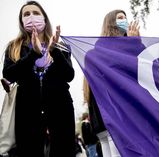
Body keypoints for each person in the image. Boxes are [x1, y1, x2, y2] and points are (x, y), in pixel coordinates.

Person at [2, 1, 75, 157]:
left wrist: (54, 51)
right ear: (21, 21)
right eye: (26, 14)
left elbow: (69, 75)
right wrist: (33, 54)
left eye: (36, 13)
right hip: (27, 111)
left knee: (63, 151)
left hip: (60, 108)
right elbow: (8, 74)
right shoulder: (14, 46)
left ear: (44, 18)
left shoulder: (61, 46)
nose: (31, 17)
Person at [83, 9, 140, 157]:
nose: (125, 20)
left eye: (125, 17)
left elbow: (144, 68)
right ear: (110, 23)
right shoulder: (100, 52)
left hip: (109, 113)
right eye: (120, 18)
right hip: (110, 111)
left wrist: (135, 43)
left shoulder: (96, 50)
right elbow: (126, 68)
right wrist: (132, 44)